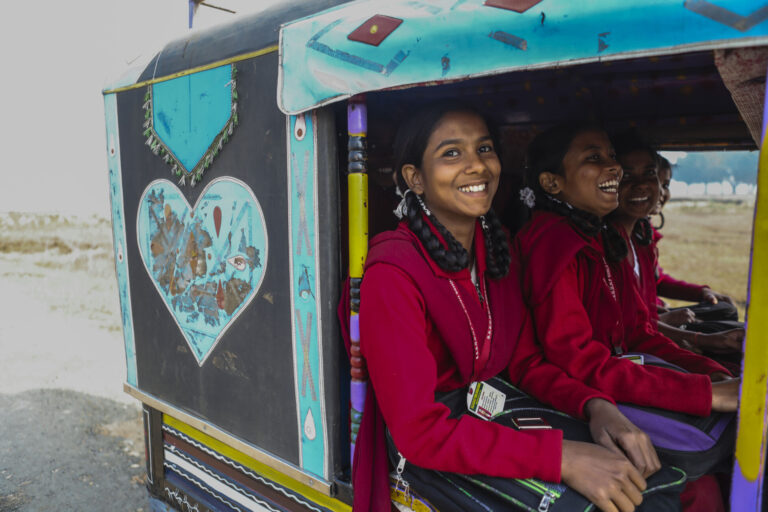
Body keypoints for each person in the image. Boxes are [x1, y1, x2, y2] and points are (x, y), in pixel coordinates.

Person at [346, 105, 672, 512]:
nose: (476, 166)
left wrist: (595, 406)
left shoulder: (497, 252)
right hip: (430, 457)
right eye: (452, 153)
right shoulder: (393, 274)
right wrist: (562, 458)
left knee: (655, 480)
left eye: (484, 149)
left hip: (491, 416)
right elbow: (420, 434)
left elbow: (526, 364)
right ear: (415, 178)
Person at [513, 123, 740, 512]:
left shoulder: (604, 238)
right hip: (572, 398)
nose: (613, 169)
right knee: (700, 481)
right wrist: (703, 393)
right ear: (552, 183)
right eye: (594, 158)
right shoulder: (553, 245)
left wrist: (711, 375)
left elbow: (638, 332)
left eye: (611, 157)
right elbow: (579, 361)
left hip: (612, 377)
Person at [611, 134, 743, 356]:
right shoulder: (608, 244)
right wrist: (703, 340)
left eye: (650, 174)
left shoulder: (640, 236)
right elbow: (630, 327)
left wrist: (701, 292)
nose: (642, 184)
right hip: (639, 345)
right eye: (627, 175)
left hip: (653, 326)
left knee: (729, 316)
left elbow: (655, 282)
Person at [651, 157, 743, 338]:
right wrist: (663, 315)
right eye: (655, 183)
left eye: (666, 185)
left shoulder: (643, 232)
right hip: (652, 320)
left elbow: (657, 280)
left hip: (656, 313)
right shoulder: (622, 237)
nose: (661, 193)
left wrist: (702, 292)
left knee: (725, 309)